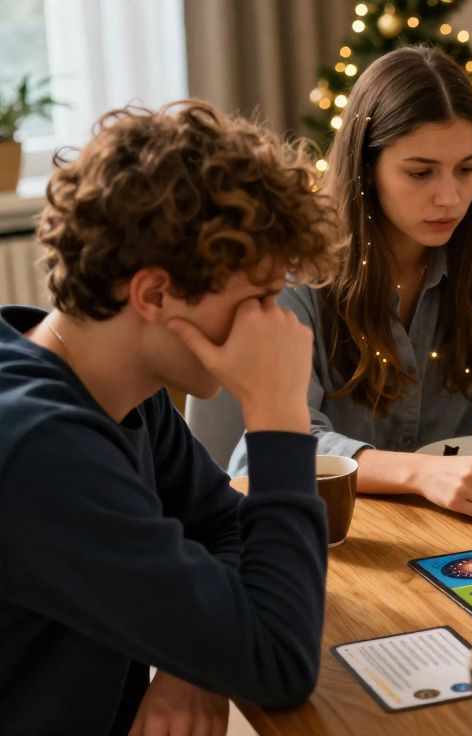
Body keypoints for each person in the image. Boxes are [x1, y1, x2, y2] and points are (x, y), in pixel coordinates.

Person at [0, 101, 340, 732]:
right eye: (257, 300)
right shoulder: (42, 449)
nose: (277, 325)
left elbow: (223, 527)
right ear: (153, 294)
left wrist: (195, 657)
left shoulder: (114, 385)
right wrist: (277, 411)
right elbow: (281, 661)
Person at [229, 46, 472, 519]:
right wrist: (419, 473)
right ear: (367, 167)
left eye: (467, 168)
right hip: (321, 528)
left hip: (439, 521)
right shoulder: (299, 264)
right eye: (420, 172)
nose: (450, 198)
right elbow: (281, 445)